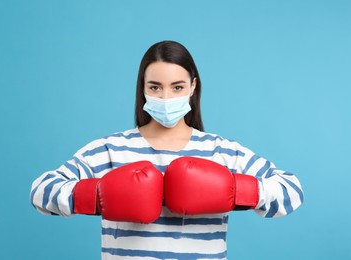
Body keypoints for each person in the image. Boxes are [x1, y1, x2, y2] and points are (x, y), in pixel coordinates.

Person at [30, 40, 304, 259]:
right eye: (155, 87)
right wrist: (95, 196)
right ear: (143, 89)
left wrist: (236, 190)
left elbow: (292, 190)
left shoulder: (221, 151)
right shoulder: (110, 149)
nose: (166, 97)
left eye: (177, 87)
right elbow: (41, 190)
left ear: (193, 87)